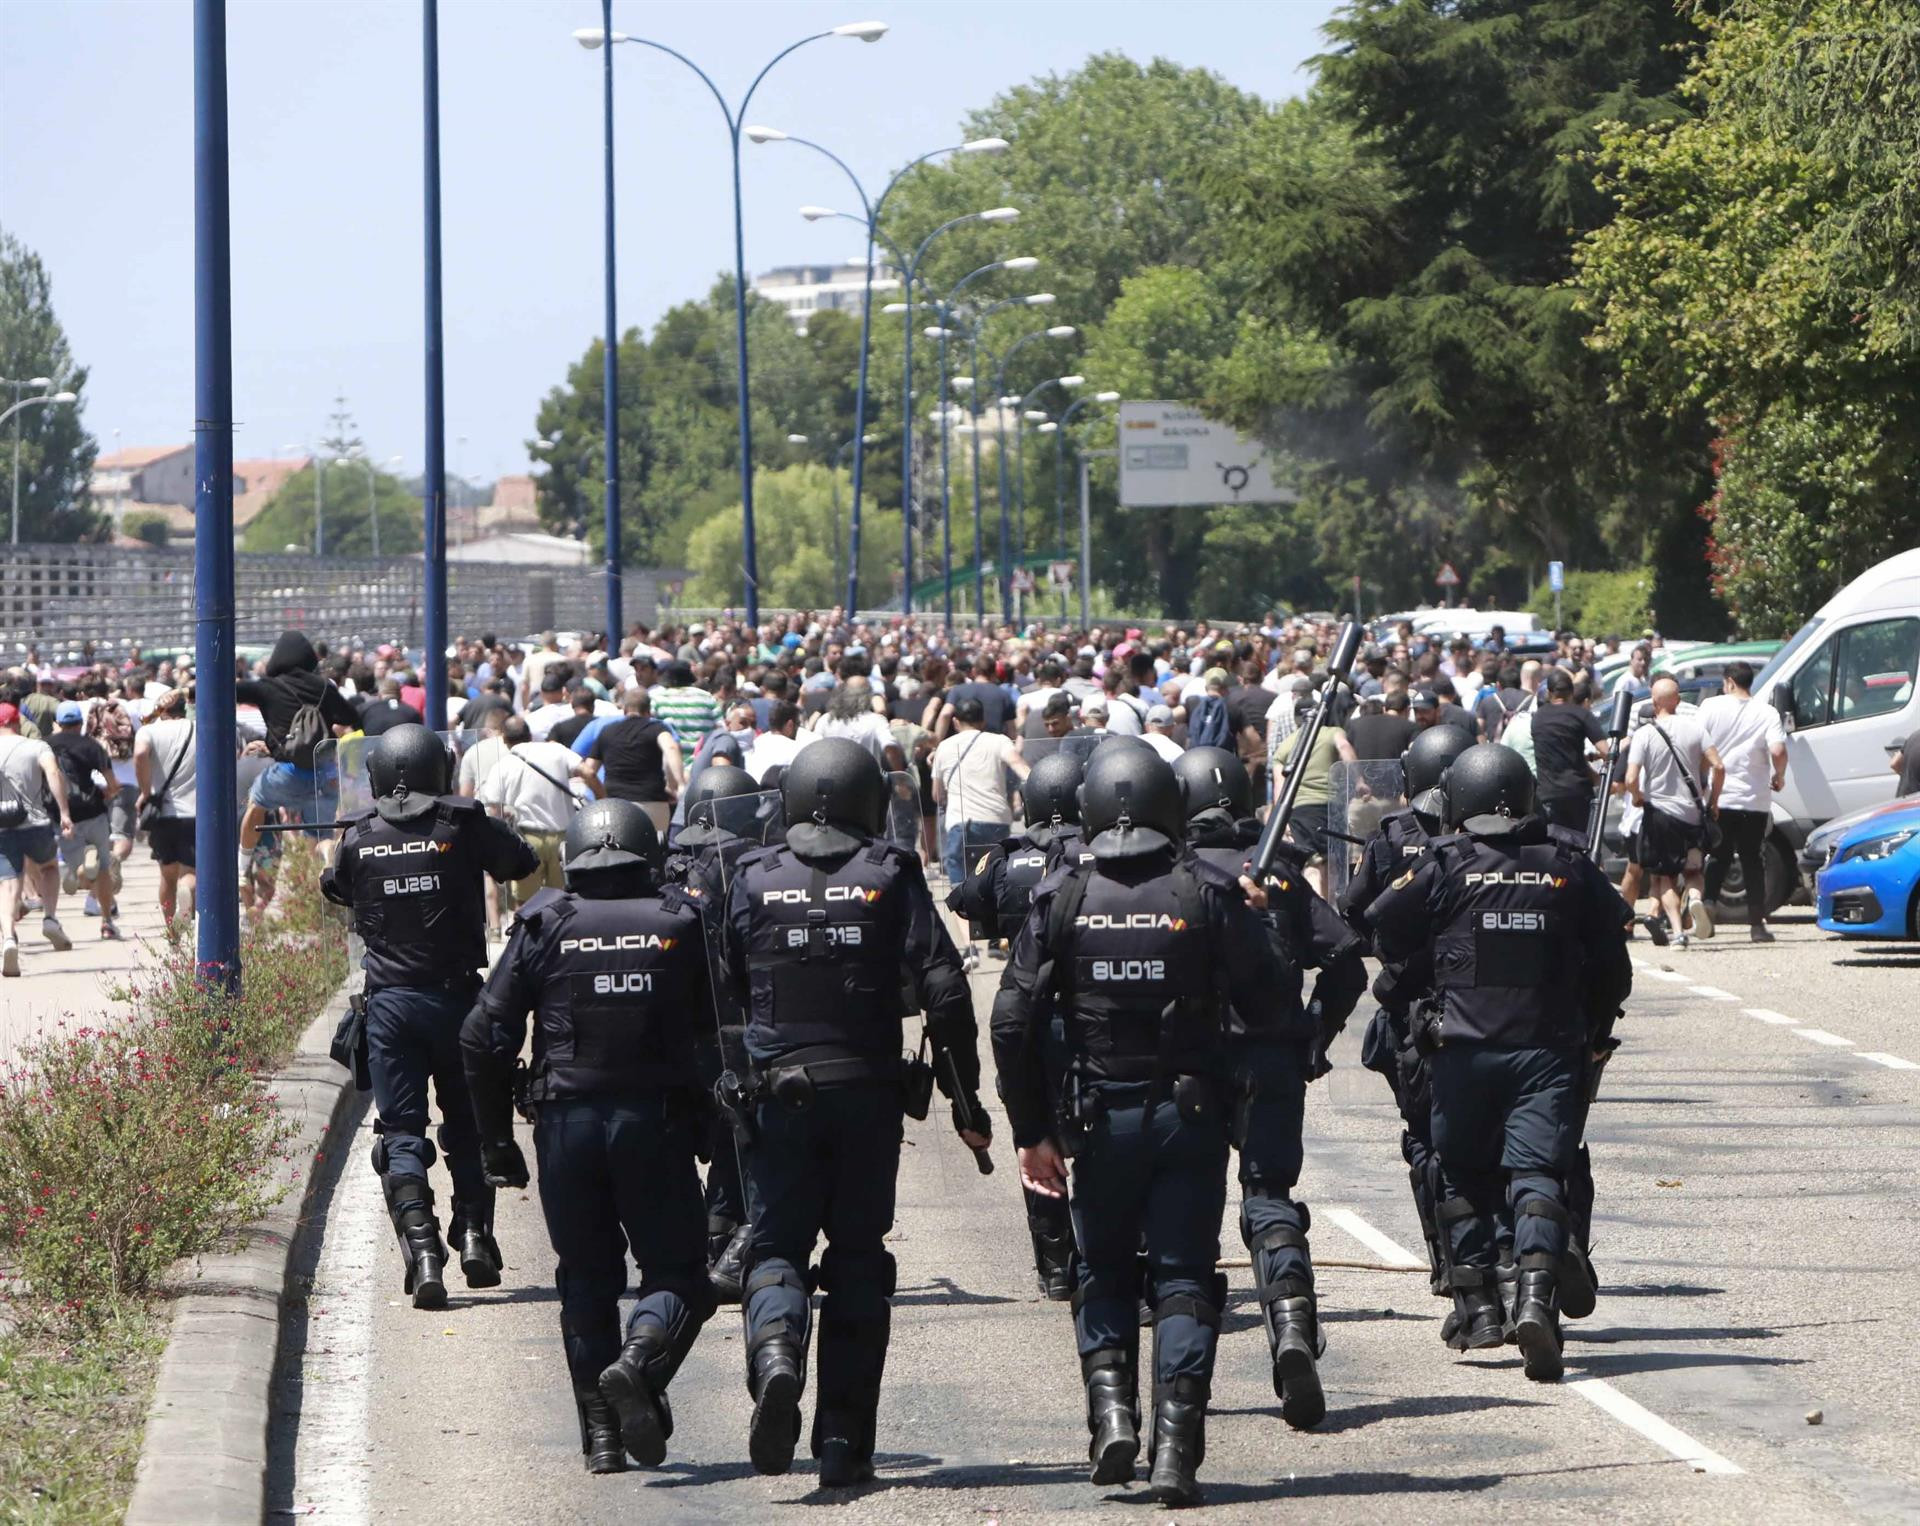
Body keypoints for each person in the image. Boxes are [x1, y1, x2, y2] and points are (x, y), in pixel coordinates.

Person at [992, 744, 1289, 1505]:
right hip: (1189, 1116)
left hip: (1097, 1119)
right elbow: (1273, 1009)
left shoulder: (1062, 895)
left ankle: (1114, 1412)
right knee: (1186, 1277)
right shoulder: (1207, 892)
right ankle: (1177, 1450)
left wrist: (1032, 1130)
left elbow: (1010, 1022)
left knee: (1103, 1272)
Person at [724, 739, 987, 1486]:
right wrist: (965, 1097)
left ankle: (777, 1353)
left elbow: (724, 987)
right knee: (858, 1261)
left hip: (777, 1093)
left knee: (775, 1248)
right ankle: (842, 1443)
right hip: (866, 1095)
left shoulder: (750, 876)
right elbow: (944, 989)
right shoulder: (891, 875)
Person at [461, 800, 716, 1475]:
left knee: (586, 1281)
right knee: (682, 1274)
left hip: (565, 1127)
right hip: (654, 1124)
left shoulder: (547, 921)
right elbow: (721, 1031)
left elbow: (484, 1036)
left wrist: (494, 1139)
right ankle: (639, 1362)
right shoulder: (682, 921)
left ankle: (603, 1440)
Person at [1366, 746, 1631, 1382]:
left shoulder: (1445, 862)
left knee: (1459, 1174)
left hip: (1461, 1049)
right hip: (1548, 1050)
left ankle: (1480, 1309)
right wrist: (1594, 1028)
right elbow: (1613, 965)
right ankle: (1537, 1299)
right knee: (1538, 1174)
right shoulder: (1568, 864)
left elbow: (1381, 931)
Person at [1174, 746, 1364, 1428]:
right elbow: (1345, 957)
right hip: (1272, 1060)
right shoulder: (1278, 877)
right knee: (1270, 1199)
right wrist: (1317, 1030)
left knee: (1185, 1219)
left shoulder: (1174, 879)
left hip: (1187, 1071)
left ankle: (1183, 1392)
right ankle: (1290, 1323)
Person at [322, 724, 538, 1308]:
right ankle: (474, 1235)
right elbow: (523, 860)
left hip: (390, 1007)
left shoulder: (359, 836)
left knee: (400, 1135)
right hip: (460, 1004)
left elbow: (336, 887)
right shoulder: (462, 826)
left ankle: (422, 1255)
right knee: (468, 1126)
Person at [1338, 725, 1474, 1337]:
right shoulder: (1497, 843)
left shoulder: (1394, 839)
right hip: (1487, 1007)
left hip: (1416, 1013)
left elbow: (1356, 911)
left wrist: (1394, 961)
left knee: (1425, 1141)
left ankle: (1451, 1265)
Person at [948, 750, 1091, 1301]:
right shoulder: (1099, 856)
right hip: (1089, 1012)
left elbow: (965, 900)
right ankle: (1122, 1255)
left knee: (1034, 1133)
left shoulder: (1007, 859)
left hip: (1026, 1013)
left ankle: (1056, 1266)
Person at [660, 765, 773, 1304]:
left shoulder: (667, 867)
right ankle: (728, 1234)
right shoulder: (749, 866)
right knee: (744, 1129)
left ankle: (702, 1237)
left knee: (688, 1134)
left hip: (678, 1027)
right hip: (735, 1019)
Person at [237, 630, 359, 839]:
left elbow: (229, 690)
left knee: (256, 801)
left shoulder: (268, 688)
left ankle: (243, 862)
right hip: (325, 774)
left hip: (287, 772)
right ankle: (325, 867)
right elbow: (350, 717)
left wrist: (187, 692)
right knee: (320, 834)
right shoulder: (323, 687)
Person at [1700, 662, 1788, 941]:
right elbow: (1778, 749)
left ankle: (1709, 906)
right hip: (1754, 799)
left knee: (1718, 856)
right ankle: (1757, 925)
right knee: (1752, 860)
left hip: (1720, 796)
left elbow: (1697, 744)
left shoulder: (1711, 708)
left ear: (1728, 682)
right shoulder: (1767, 712)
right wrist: (1779, 775)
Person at [1624, 676, 1714, 947]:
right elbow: (1718, 765)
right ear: (1678, 700)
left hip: (1660, 815)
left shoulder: (1644, 734)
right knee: (1693, 871)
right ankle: (1696, 900)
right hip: (1693, 812)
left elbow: (1630, 778)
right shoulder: (1696, 729)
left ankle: (1678, 933)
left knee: (1664, 877)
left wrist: (1638, 797)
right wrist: (1713, 799)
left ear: (1654, 703)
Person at [479, 716, 598, 903]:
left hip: (528, 840)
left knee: (526, 904)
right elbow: (588, 772)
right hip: (564, 839)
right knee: (565, 900)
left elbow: (493, 810)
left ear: (504, 740)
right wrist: (602, 798)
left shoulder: (503, 766)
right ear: (530, 735)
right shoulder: (555, 750)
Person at [0, 701, 74, 974]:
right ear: (16, 722)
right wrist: (64, 812)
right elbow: (53, 773)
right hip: (35, 822)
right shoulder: (37, 746)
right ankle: (50, 918)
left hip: (2, 828)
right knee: (49, 867)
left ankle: (8, 936)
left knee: (7, 885)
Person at [931, 697, 1031, 895]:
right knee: (995, 881)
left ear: (955, 722)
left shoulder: (944, 746)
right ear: (983, 721)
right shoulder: (999, 741)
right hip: (996, 820)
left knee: (959, 891)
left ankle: (966, 924)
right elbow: (1019, 765)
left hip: (961, 823)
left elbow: (937, 795)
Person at [1268, 691, 1357, 897]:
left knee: (1311, 863)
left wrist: (1281, 819)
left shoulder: (1285, 746)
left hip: (1299, 810)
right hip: (1330, 807)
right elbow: (1344, 748)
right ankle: (1330, 911)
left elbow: (1279, 789)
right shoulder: (1332, 732)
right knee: (1332, 863)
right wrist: (1359, 781)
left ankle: (1319, 910)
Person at [48, 701, 121, 940]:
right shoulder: (91, 745)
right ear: (80, 723)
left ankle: (80, 872)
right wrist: (108, 794)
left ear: (58, 724)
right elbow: (113, 784)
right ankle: (107, 923)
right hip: (93, 811)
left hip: (63, 816)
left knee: (75, 865)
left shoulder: (45, 746)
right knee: (103, 868)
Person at [133, 684, 197, 934]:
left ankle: (172, 932)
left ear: (160, 710)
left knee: (167, 875)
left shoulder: (149, 731)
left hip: (163, 814)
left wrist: (145, 792)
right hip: (194, 813)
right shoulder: (197, 728)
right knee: (191, 872)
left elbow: (139, 754)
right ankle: (188, 889)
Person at [581, 690, 682, 834]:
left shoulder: (607, 731)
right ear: (648, 711)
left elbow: (589, 770)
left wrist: (600, 796)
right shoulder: (657, 728)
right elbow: (671, 747)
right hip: (652, 803)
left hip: (615, 805)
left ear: (624, 709)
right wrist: (676, 785)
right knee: (656, 852)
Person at [1528, 668, 1608, 836]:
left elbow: (1555, 750)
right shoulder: (1581, 714)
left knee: (1556, 847)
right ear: (1571, 692)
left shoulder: (1537, 718)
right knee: (1582, 844)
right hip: (1577, 792)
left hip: (1548, 794)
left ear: (1549, 693)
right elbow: (1606, 751)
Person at [1347, 690, 1415, 762]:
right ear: (1408, 710)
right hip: (1394, 772)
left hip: (1360, 772)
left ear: (1384, 709)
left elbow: (1345, 750)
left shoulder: (1353, 724)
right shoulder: (1410, 726)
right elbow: (1414, 752)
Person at [360, 677, 424, 737]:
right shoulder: (412, 712)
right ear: (400, 695)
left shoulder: (364, 709)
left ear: (379, 694)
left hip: (373, 748)